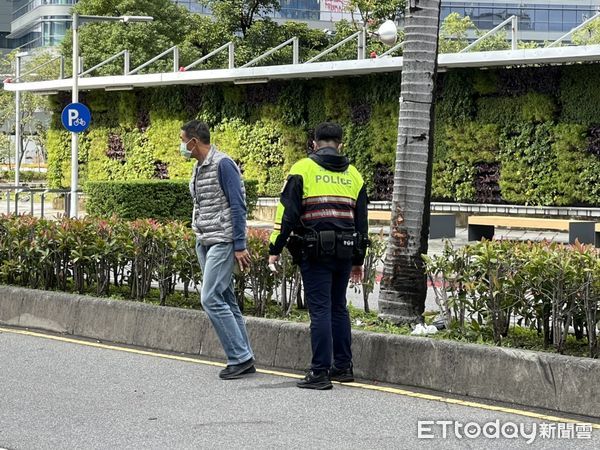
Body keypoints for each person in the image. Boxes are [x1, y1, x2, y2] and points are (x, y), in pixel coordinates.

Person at [268, 122, 369, 390]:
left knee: (321, 309)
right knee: (338, 307)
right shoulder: (354, 175)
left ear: (314, 144)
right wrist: (359, 259)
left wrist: (274, 249)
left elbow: (286, 213)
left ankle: (320, 372)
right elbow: (362, 224)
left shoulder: (302, 169)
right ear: (340, 145)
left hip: (314, 252)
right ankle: (343, 366)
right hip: (345, 252)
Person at [180, 120, 255, 380]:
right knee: (225, 298)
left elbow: (238, 204)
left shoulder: (223, 164)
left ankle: (240, 358)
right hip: (204, 239)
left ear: (194, 142)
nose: (181, 146)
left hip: (222, 240)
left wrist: (239, 244)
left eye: (183, 141)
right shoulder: (199, 167)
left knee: (210, 297)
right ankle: (244, 355)